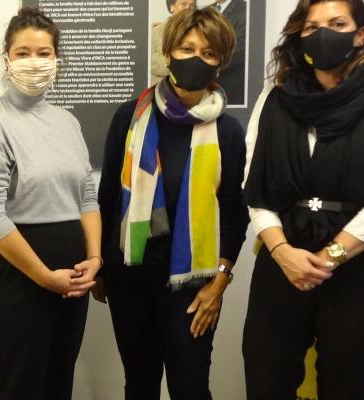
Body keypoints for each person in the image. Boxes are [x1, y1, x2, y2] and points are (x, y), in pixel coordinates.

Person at [240, 1, 364, 398]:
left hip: (359, 268)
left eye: (338, 23)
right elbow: (255, 186)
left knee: (345, 385)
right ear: (298, 35)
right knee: (265, 379)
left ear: (360, 33)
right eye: (312, 26)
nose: (324, 33)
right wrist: (283, 252)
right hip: (282, 261)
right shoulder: (274, 97)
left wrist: (329, 258)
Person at [96, 7, 249, 400]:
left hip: (193, 285)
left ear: (220, 64)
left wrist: (220, 280)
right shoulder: (130, 117)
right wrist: (101, 266)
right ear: (168, 52)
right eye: (187, 47)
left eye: (209, 53)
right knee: (140, 384)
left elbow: (234, 213)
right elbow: (108, 198)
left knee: (191, 387)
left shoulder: (227, 132)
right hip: (130, 276)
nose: (197, 58)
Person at [0, 7, 101, 399]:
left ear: (57, 60)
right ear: (6, 60)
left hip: (72, 274)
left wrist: (95, 258)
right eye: (23, 53)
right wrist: (42, 275)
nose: (34, 62)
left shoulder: (66, 121)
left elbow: (86, 194)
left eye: (44, 52)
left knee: (59, 380)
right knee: (21, 386)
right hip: (21, 277)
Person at [151, 0, 198, 86]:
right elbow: (151, 62)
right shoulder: (155, 32)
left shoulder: (200, 31)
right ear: (171, 7)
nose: (188, 8)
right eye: (183, 4)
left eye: (191, 5)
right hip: (161, 91)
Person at [210, 0, 247, 105]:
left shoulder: (244, 8)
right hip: (207, 87)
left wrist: (211, 64)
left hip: (231, 85)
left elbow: (240, 48)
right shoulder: (206, 10)